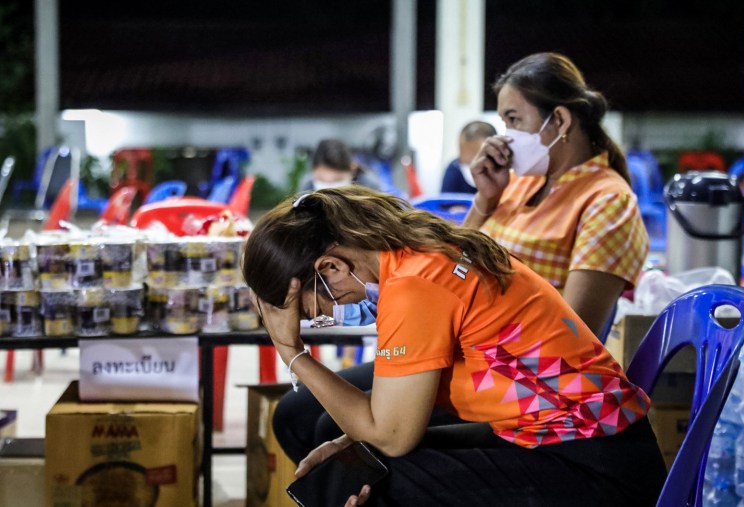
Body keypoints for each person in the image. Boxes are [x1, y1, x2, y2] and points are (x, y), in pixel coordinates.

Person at [243, 186, 666, 506]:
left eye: (311, 309)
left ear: (331, 267)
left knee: (378, 485)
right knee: (353, 455)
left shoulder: (413, 287)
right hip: (564, 434)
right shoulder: (415, 251)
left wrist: (290, 349)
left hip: (598, 466)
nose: (328, 314)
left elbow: (392, 437)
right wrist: (361, 441)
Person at [463, 52, 649, 338]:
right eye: (504, 123)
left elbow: (573, 333)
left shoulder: (608, 202)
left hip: (516, 368)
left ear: (560, 120)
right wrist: (485, 199)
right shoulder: (517, 184)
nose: (505, 138)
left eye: (514, 120)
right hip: (468, 342)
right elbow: (458, 263)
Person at [302, 138, 384, 191]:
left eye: (337, 180)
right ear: (313, 171)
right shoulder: (307, 188)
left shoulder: (369, 187)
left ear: (352, 169)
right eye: (321, 179)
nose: (328, 186)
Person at [440, 121, 498, 194]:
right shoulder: (454, 168)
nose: (464, 159)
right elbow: (444, 200)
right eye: (462, 151)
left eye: (473, 155)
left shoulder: (500, 174)